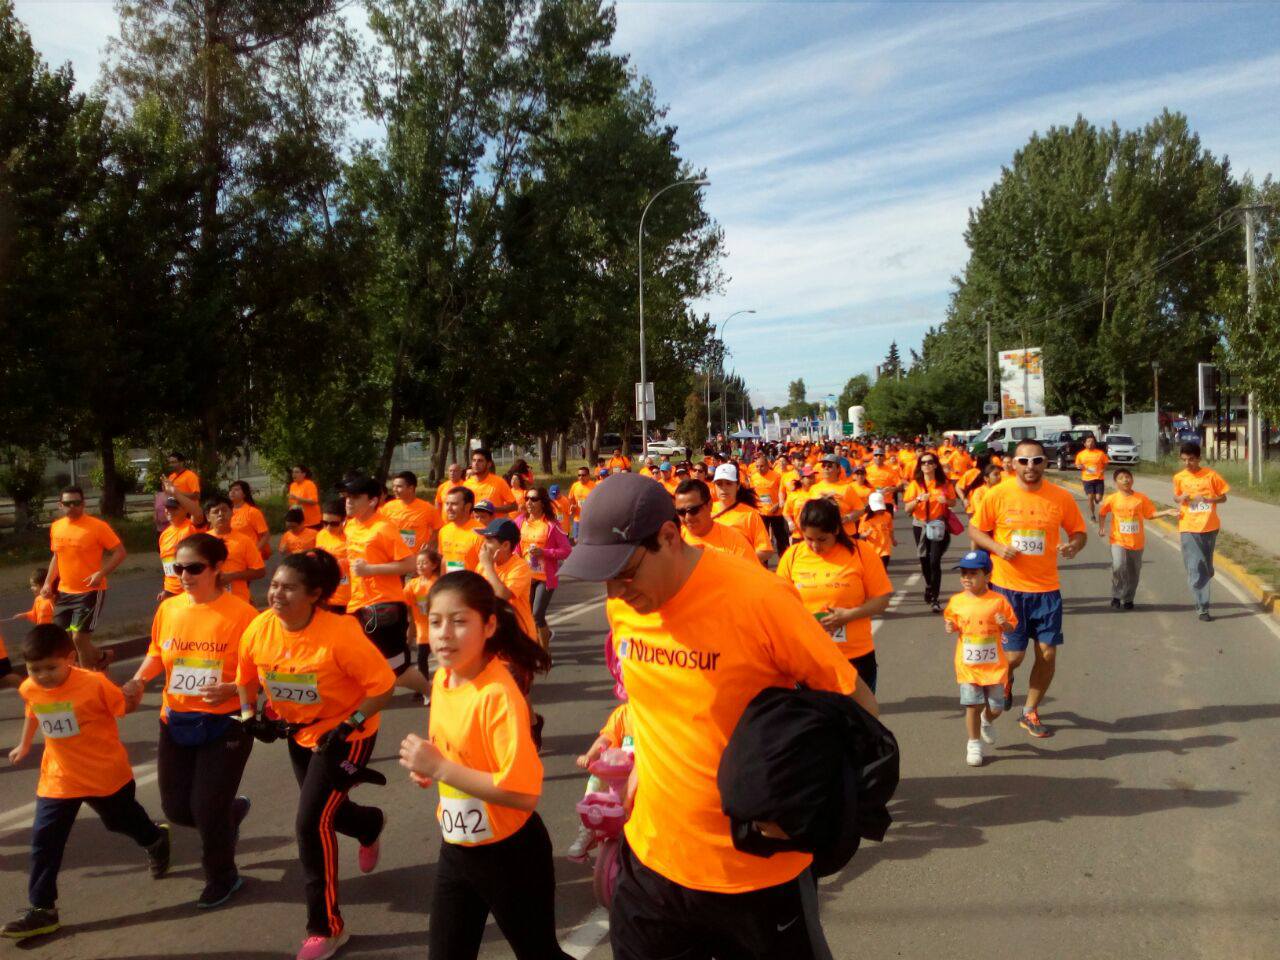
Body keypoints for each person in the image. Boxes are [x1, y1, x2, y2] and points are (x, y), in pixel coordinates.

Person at [559, 474, 877, 960]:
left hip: (754, 872)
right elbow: (651, 694)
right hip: (652, 862)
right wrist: (631, 746)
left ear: (669, 537)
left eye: (624, 571)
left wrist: (807, 803)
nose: (616, 589)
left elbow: (857, 711)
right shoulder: (624, 603)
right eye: (604, 575)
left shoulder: (760, 598)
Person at [397, 571, 569, 960]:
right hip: (457, 848)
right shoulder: (442, 679)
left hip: (511, 855)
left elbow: (522, 793)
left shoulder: (497, 693)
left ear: (489, 625)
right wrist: (430, 765)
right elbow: (456, 751)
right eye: (436, 620)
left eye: (459, 622)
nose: (443, 634)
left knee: (540, 954)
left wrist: (441, 768)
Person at [236, 551, 395, 960]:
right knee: (333, 813)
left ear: (316, 595)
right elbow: (246, 677)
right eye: (274, 584)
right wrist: (251, 716)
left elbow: (382, 688)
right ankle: (369, 823)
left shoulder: (340, 633)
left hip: (348, 734)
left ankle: (326, 928)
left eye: (289, 588)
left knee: (310, 823)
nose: (276, 594)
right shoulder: (260, 628)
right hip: (302, 735)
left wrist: (347, 725)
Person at [5, 624, 170, 940]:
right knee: (44, 839)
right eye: (34, 669)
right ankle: (42, 909)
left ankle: (154, 840)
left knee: (121, 821)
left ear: (70, 658)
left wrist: (133, 693)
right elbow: (33, 709)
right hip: (59, 778)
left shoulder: (94, 684)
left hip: (104, 774)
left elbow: (123, 708)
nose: (43, 675)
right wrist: (25, 744)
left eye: (51, 667)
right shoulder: (30, 687)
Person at [121, 533, 257, 908]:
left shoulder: (243, 615)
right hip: (176, 719)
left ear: (216, 569)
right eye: (177, 567)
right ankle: (230, 814)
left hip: (225, 722)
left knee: (205, 808)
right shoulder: (169, 609)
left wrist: (233, 688)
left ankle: (223, 876)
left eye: (194, 567)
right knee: (177, 809)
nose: (184, 574)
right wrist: (138, 679)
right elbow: (155, 652)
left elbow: (264, 669)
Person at [968, 439, 1086, 738]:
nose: (1030, 467)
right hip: (1008, 589)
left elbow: (1079, 532)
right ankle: (1005, 683)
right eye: (1024, 461)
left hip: (1047, 590)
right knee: (1014, 657)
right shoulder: (998, 494)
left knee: (1047, 653)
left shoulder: (1060, 497)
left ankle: (1030, 711)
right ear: (1013, 463)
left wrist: (1073, 545)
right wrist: (996, 547)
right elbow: (975, 529)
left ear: (1045, 463)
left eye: (1036, 461)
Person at [777, 497, 893, 693]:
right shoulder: (793, 555)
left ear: (836, 531)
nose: (815, 546)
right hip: (809, 656)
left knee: (857, 720)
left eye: (822, 539)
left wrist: (848, 615)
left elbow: (882, 600)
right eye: (809, 539)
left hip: (855, 656)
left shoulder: (861, 552)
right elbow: (779, 603)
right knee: (817, 722)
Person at [343, 477, 430, 697]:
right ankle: (363, 709)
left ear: (372, 501)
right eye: (346, 497)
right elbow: (354, 561)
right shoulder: (351, 525)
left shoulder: (384, 528)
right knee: (358, 664)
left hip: (384, 607)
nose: (348, 502)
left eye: (355, 497)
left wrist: (370, 570)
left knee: (397, 671)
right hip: (357, 605)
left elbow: (410, 564)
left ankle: (434, 694)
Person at [943, 549, 1017, 767]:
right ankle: (973, 743)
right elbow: (952, 621)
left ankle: (987, 720)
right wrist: (951, 626)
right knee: (972, 706)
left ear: (988, 576)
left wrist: (1005, 624)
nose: (967, 578)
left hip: (993, 666)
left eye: (973, 573)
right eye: (964, 573)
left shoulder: (999, 601)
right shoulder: (956, 601)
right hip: (968, 666)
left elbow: (1012, 627)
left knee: (996, 707)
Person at [41, 486, 127, 670]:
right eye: (68, 503)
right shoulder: (57, 527)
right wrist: (48, 582)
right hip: (64, 591)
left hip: (90, 591)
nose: (72, 507)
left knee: (79, 638)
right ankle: (102, 656)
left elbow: (119, 552)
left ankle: (86, 681)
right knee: (64, 639)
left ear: (83, 504)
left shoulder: (97, 526)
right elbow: (57, 557)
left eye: (77, 503)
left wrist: (101, 573)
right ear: (60, 505)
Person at [1097, 468, 1173, 610]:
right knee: (1118, 566)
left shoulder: (1141, 498)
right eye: (1121, 478)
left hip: (1136, 542)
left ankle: (1128, 598)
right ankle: (1116, 595)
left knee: (1133, 572)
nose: (1125, 480)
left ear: (1132, 480)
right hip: (1118, 540)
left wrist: (1166, 512)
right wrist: (1102, 527)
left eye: (1128, 477)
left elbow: (1150, 514)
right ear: (1116, 482)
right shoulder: (1112, 498)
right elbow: (1102, 513)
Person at [1171, 442, 1230, 620]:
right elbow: (1176, 496)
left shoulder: (1211, 476)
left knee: (1206, 567)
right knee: (1196, 567)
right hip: (1188, 526)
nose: (1187, 463)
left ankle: (1205, 573)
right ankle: (1202, 607)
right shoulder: (1179, 477)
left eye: (1191, 459)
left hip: (1209, 526)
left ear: (1198, 458)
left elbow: (1224, 497)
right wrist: (1180, 498)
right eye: (1184, 460)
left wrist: (1209, 499)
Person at [515, 489, 572, 648]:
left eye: (534, 499)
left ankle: (545, 652)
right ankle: (539, 641)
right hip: (526, 576)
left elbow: (567, 551)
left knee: (537, 614)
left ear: (542, 502)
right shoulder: (520, 522)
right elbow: (515, 547)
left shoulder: (551, 524)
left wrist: (544, 552)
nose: (529, 502)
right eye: (527, 498)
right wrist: (516, 555)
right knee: (527, 616)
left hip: (545, 578)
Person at [903, 453, 958, 612]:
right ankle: (928, 585)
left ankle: (935, 597)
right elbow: (907, 508)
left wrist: (946, 501)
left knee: (934, 561)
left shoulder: (944, 483)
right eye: (923, 463)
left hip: (938, 526)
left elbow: (953, 501)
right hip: (920, 525)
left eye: (930, 462)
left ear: (935, 465)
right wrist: (919, 500)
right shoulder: (915, 484)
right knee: (924, 560)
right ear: (920, 466)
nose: (926, 465)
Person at [476, 520, 537, 642]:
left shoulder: (520, 567)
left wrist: (488, 566)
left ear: (505, 545)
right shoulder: (482, 565)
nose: (483, 545)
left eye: (489, 540)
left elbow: (502, 595)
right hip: (494, 635)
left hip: (519, 636)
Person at [674, 479, 756, 562]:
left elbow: (754, 573)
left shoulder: (735, 542)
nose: (687, 517)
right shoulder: (673, 541)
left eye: (693, 510)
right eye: (681, 512)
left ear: (709, 505)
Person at [204, 495, 267, 603]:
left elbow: (260, 571)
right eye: (215, 512)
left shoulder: (244, 541)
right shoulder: (202, 541)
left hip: (239, 601)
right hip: (210, 601)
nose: (220, 514)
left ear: (232, 512)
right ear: (208, 517)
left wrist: (233, 576)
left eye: (224, 510)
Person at [710, 464, 773, 565]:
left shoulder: (750, 514)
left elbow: (766, 550)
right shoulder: (706, 511)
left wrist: (739, 564)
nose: (724, 488)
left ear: (738, 486)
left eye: (728, 483)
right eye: (719, 484)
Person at [404, 545, 443, 691]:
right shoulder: (412, 584)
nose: (420, 565)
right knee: (421, 660)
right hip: (422, 630)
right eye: (418, 563)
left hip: (438, 628)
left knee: (442, 659)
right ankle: (423, 688)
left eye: (424, 562)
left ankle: (442, 684)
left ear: (434, 565)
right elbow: (404, 602)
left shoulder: (438, 583)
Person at [379, 470, 443, 553]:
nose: (395, 489)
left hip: (416, 557)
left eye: (399, 486)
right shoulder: (387, 507)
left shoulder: (427, 508)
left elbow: (438, 528)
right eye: (394, 486)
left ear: (411, 488)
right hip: (393, 556)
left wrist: (430, 543)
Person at [158, 494, 205, 602]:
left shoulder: (192, 527)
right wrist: (166, 589)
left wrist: (174, 491)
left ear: (185, 510)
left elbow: (198, 514)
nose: (169, 511)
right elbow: (167, 564)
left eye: (174, 508)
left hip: (190, 588)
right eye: (167, 508)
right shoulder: (164, 535)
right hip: (171, 591)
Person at [810, 455, 866, 536]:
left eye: (829, 466)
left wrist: (847, 518)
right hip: (824, 535)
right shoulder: (814, 488)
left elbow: (860, 510)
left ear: (838, 469)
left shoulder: (847, 488)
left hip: (845, 533)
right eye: (823, 466)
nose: (826, 468)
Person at [746, 450, 788, 557]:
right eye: (757, 466)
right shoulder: (754, 477)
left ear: (768, 465)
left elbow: (784, 493)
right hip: (761, 513)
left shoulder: (777, 476)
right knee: (762, 542)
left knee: (781, 540)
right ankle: (763, 566)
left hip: (776, 512)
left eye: (762, 466)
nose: (759, 469)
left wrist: (778, 504)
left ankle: (783, 563)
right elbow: (751, 494)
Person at [315, 500, 352, 615]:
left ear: (344, 521)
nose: (328, 527)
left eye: (334, 523)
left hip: (348, 597)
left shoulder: (352, 536)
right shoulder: (321, 535)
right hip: (327, 595)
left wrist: (339, 563)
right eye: (325, 522)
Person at [440, 486, 485, 573]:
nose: (448, 508)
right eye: (447, 503)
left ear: (467, 507)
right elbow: (444, 560)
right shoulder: (444, 531)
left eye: (454, 504)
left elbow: (486, 567)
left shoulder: (481, 533)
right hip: (449, 584)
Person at [464, 449, 517, 515]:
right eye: (474, 460)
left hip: (493, 524)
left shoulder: (499, 482)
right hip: (473, 524)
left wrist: (491, 509)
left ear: (489, 464)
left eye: (480, 461)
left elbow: (514, 506)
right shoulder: (466, 485)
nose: (476, 463)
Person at [229, 481, 272, 560]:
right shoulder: (227, 512)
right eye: (231, 490)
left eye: (236, 490)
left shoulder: (252, 512)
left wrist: (254, 551)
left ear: (244, 494)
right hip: (234, 556)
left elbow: (266, 535)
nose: (232, 492)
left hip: (250, 557)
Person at [858, 492, 896, 571]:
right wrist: (865, 534)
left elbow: (890, 529)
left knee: (883, 569)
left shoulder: (887, 515)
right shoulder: (865, 518)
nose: (879, 510)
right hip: (872, 550)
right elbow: (861, 535)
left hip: (885, 549)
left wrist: (893, 540)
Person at [1075, 435, 1109, 522]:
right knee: (1090, 497)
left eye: (1092, 441)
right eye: (1088, 441)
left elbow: (1106, 463)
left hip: (1099, 478)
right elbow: (1078, 465)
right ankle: (1092, 515)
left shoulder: (1100, 453)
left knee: (1098, 499)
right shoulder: (1081, 454)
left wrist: (1103, 470)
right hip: (1087, 479)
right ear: (1085, 444)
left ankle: (1096, 499)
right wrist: (1080, 466)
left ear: (1095, 443)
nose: (1090, 443)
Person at [569, 467, 596, 540]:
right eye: (579, 475)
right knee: (576, 540)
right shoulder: (575, 486)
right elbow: (571, 499)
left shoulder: (594, 486)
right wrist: (572, 506)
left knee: (590, 540)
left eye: (583, 475)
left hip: (590, 520)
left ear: (588, 476)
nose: (581, 477)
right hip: (578, 519)